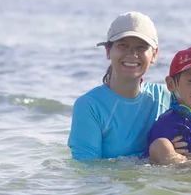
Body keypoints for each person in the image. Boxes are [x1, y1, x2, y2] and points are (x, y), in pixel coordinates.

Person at [68, 12, 171, 161]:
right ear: (108, 51)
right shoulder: (89, 106)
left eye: (141, 47)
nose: (132, 54)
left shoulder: (167, 96)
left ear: (154, 54)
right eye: (123, 45)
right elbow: (86, 171)